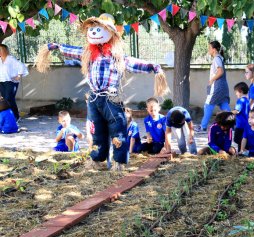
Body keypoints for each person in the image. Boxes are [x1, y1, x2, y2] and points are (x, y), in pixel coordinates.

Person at [35, 13, 169, 171]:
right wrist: (55, 46)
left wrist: (153, 67)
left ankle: (119, 163)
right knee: (96, 130)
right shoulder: (88, 55)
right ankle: (96, 160)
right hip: (94, 99)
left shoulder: (117, 57)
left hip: (111, 98)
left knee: (118, 130)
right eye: (92, 29)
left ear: (111, 33)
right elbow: (72, 51)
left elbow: (134, 63)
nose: (94, 32)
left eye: (100, 29)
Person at [196, 41, 231, 132]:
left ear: (214, 49)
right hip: (223, 86)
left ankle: (203, 126)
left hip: (217, 87)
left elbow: (220, 72)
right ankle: (233, 125)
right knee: (224, 106)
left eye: (209, 48)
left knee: (208, 105)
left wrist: (211, 80)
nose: (208, 50)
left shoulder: (216, 59)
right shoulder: (220, 58)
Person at [0, 44, 29, 121]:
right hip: (2, 82)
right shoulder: (0, 60)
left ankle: (16, 116)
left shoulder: (11, 59)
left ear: (4, 50)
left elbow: (21, 66)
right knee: (5, 100)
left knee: (8, 99)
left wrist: (19, 75)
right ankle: (9, 117)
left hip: (11, 82)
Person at [232, 82, 250, 152]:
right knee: (243, 138)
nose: (236, 94)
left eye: (236, 92)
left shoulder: (240, 100)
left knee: (237, 139)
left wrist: (228, 113)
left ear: (240, 91)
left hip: (240, 125)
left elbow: (237, 111)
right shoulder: (247, 100)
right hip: (247, 124)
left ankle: (246, 149)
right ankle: (241, 152)